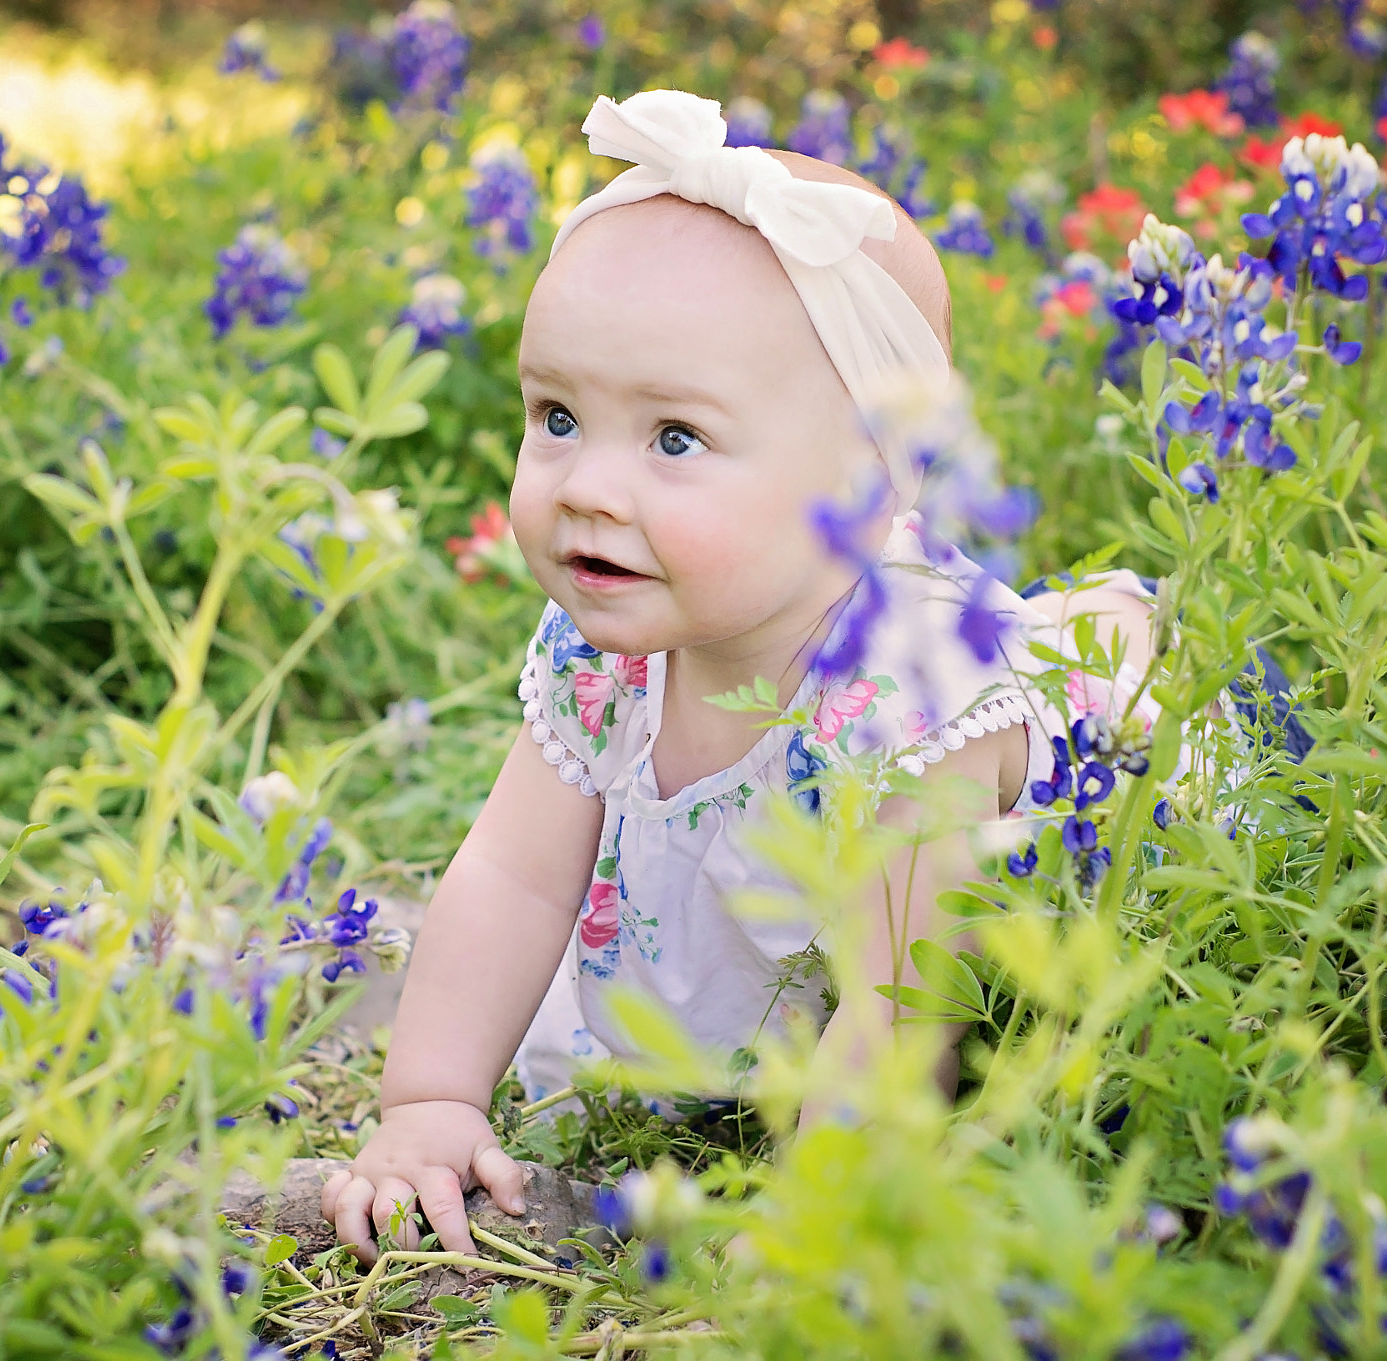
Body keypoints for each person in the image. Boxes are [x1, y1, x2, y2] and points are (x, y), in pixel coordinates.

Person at [320, 89, 1163, 1262]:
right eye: (556, 416)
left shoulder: (914, 700)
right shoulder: (604, 652)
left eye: (673, 439)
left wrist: (811, 1226)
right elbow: (513, 877)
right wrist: (428, 1104)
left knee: (1087, 675)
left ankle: (1109, 632)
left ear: (878, 477)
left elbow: (891, 1004)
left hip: (1025, 878)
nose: (587, 487)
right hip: (782, 959)